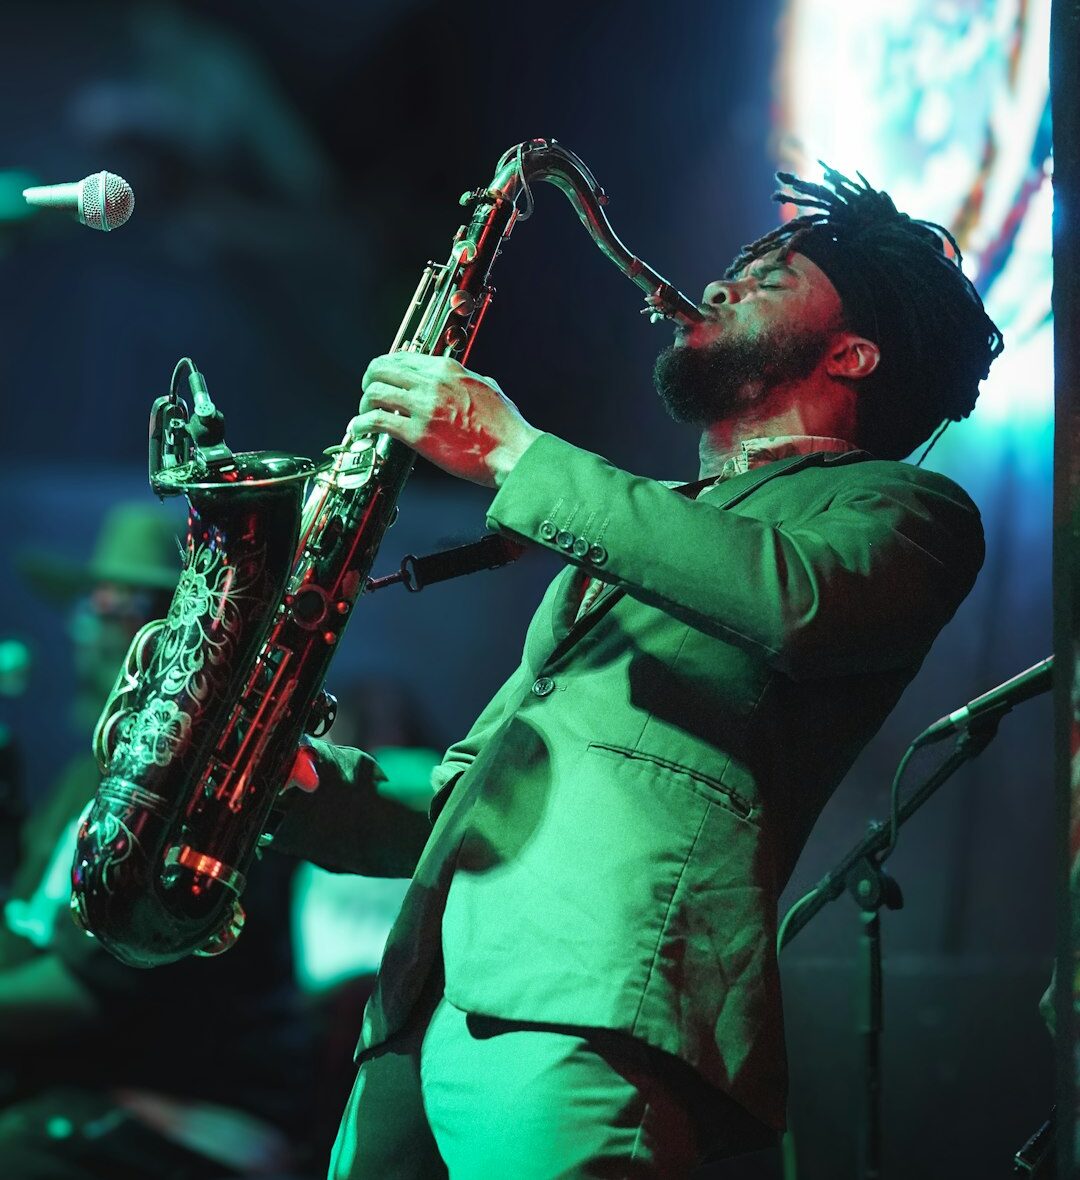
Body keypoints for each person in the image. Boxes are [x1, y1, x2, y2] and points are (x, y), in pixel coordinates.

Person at [272, 166, 1003, 1178]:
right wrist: (298, 779)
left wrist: (514, 451)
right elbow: (469, 795)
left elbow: (795, 599)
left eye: (773, 277)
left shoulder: (908, 513)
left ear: (853, 352)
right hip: (415, 1008)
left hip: (596, 998)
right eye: (737, 265)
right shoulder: (639, 524)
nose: (721, 284)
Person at [1, 502, 314, 1179]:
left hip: (188, 1113)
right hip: (91, 1093)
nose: (86, 624)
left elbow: (95, 992)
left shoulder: (212, 777)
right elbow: (24, 930)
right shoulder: (89, 768)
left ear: (177, 625)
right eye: (88, 601)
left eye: (114, 602)